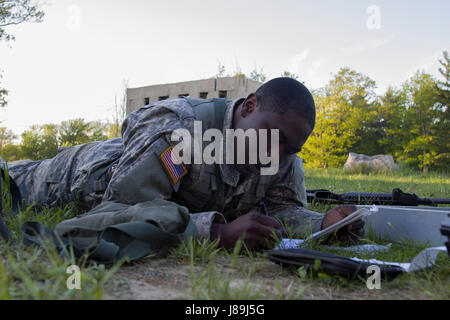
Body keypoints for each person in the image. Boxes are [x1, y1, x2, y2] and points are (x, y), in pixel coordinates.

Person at [5, 77, 364, 251]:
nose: (275, 153)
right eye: (271, 135)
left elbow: (285, 210)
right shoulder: (180, 129)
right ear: (250, 105)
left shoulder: (283, 153)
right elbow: (119, 209)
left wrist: (324, 224)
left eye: (289, 148)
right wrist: (214, 233)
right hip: (53, 179)